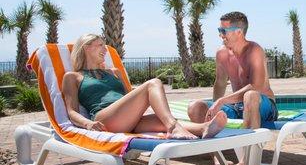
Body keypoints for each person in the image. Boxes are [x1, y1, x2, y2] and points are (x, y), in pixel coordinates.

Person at [62, 34, 227, 139]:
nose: (105, 49)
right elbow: (72, 111)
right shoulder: (73, 77)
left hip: (129, 120)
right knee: (153, 83)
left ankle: (204, 127)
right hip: (105, 120)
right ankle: (173, 127)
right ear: (86, 47)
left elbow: (128, 98)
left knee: (162, 119)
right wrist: (87, 124)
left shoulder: (114, 72)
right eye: (100, 45)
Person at [187, 11, 277, 165]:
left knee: (250, 96)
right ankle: (217, 160)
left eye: (224, 31)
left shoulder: (254, 50)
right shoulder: (222, 53)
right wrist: (213, 109)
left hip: (263, 105)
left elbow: (256, 86)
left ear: (239, 32)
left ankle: (246, 160)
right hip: (238, 106)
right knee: (195, 107)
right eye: (219, 30)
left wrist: (222, 101)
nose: (221, 35)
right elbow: (220, 83)